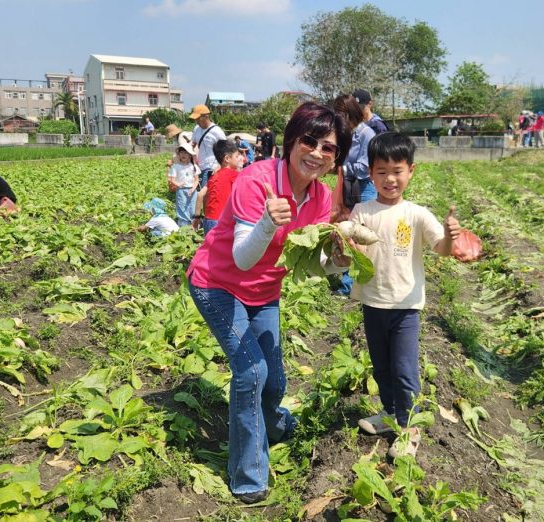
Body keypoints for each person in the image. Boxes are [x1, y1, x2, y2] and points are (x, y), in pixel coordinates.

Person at [187, 102, 352, 503]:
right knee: (252, 372)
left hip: (264, 292)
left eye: (328, 148)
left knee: (274, 378)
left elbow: (309, 262)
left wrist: (339, 263)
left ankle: (273, 424)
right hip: (217, 284)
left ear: (336, 158)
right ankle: (248, 475)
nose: (316, 152)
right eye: (309, 140)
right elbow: (242, 258)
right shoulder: (256, 180)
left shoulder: (320, 197)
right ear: (292, 141)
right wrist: (266, 221)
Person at [348, 132, 461, 458]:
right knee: (381, 367)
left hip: (405, 307)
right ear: (370, 173)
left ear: (411, 171)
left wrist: (451, 236)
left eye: (397, 171)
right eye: (381, 172)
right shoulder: (362, 211)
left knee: (404, 370)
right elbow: (351, 251)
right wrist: (346, 245)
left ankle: (410, 428)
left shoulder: (417, 214)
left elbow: (442, 249)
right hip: (373, 302)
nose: (389, 179)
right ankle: (390, 414)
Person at [332, 93, 377, 295]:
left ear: (349, 114)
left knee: (360, 235)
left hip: (364, 189)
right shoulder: (345, 133)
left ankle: (355, 283)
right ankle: (348, 282)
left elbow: (365, 168)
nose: (338, 120)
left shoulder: (367, 134)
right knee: (346, 232)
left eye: (340, 115)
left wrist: (339, 168)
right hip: (348, 187)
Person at [194, 140, 243, 236]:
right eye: (237, 156)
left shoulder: (214, 176)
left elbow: (200, 195)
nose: (239, 159)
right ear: (227, 158)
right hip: (222, 221)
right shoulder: (234, 175)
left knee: (210, 245)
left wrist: (197, 217)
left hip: (208, 220)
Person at [190, 104, 226, 189]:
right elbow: (192, 143)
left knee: (204, 191)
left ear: (206, 116)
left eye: (198, 118)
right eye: (195, 119)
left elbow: (226, 149)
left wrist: (220, 165)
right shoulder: (196, 129)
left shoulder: (216, 131)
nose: (196, 121)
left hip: (212, 167)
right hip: (199, 167)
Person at [168, 142, 200, 227]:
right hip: (181, 190)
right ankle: (183, 225)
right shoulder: (176, 166)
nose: (183, 155)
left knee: (192, 207)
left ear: (190, 155)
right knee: (182, 207)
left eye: (186, 153)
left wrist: (193, 189)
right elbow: (172, 179)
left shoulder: (193, 167)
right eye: (181, 153)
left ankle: (193, 224)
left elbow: (196, 180)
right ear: (178, 155)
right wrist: (178, 184)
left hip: (192, 190)